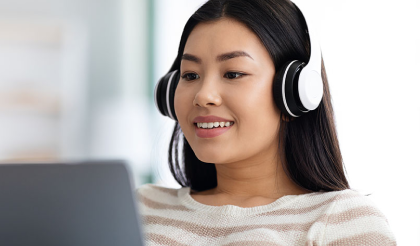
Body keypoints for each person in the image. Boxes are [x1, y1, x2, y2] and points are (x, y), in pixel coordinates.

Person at [136, 0, 397, 245]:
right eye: (190, 75)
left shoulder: (344, 222)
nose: (203, 95)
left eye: (233, 73)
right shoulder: (139, 207)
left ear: (294, 92)